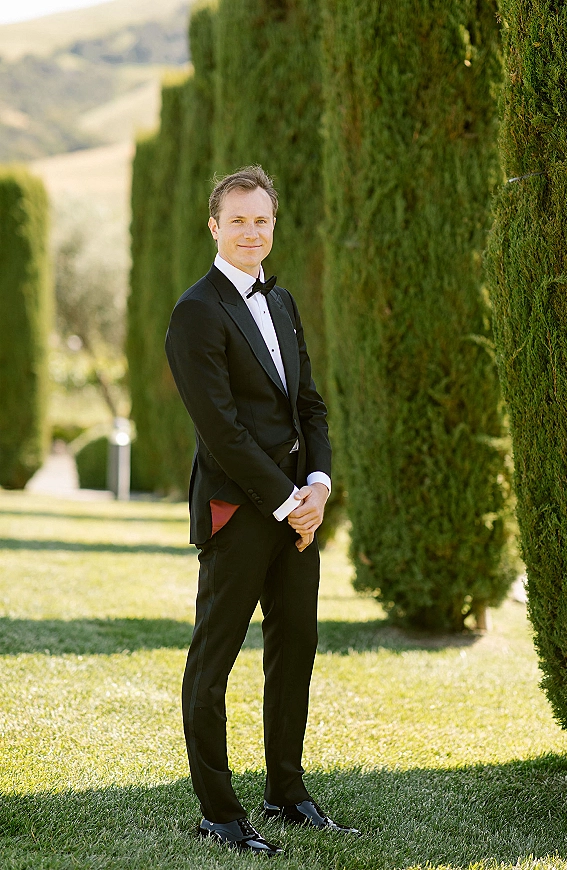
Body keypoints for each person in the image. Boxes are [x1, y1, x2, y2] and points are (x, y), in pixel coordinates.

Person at [165, 165, 359, 856]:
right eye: (238, 220)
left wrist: (319, 485)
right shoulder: (196, 311)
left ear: (273, 226)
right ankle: (219, 813)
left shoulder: (282, 302)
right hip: (239, 511)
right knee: (213, 660)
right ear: (214, 227)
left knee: (295, 646)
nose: (251, 232)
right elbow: (221, 430)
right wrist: (286, 502)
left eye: (262, 220)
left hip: (298, 510)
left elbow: (310, 405)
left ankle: (286, 793)